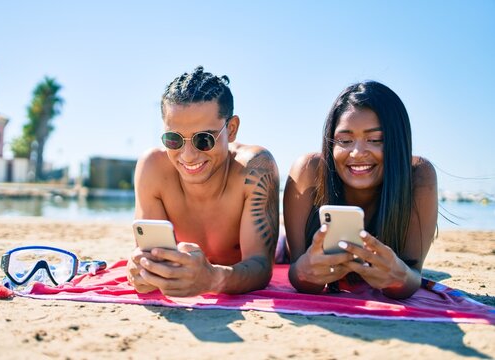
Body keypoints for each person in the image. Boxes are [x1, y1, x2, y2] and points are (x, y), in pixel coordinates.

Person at [127, 66, 280, 297]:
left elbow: (261, 266)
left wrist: (212, 279)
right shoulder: (153, 168)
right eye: (174, 139)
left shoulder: (254, 169)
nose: (188, 155)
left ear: (232, 128)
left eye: (204, 139)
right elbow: (149, 254)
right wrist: (143, 270)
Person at [283, 81, 438, 299]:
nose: (357, 153)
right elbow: (300, 277)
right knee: (278, 248)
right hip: (283, 248)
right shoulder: (309, 170)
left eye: (375, 140)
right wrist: (306, 272)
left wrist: (399, 277)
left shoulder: (418, 176)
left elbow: (413, 276)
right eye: (345, 140)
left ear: (397, 142)